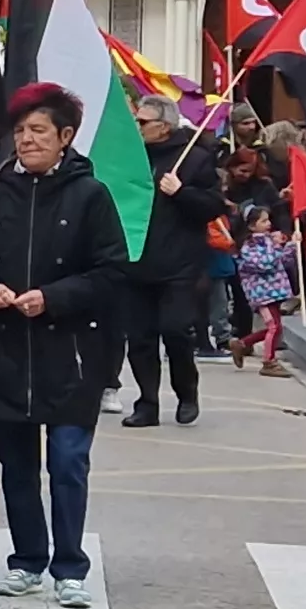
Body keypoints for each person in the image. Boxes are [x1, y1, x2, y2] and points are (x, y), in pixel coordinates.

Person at [0, 83, 130, 606]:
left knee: (68, 462)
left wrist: (53, 297)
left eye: (38, 131)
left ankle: (69, 566)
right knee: (18, 466)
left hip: (71, 353)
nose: (26, 140)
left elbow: (112, 271)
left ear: (65, 137)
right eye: (20, 131)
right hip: (4, 351)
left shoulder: (90, 196)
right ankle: (27, 558)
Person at [112, 96, 224, 428]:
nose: (137, 127)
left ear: (164, 127)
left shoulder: (194, 158)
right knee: (140, 338)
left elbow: (213, 205)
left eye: (143, 122)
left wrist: (181, 192)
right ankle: (147, 403)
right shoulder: (131, 158)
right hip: (135, 260)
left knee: (175, 331)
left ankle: (187, 392)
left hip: (179, 264)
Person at [233, 198, 301, 378]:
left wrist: (292, 246)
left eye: (268, 219)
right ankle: (269, 361)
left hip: (275, 290)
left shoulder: (269, 241)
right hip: (261, 292)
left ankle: (242, 344)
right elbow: (265, 264)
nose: (268, 223)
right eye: (263, 221)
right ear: (251, 226)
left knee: (275, 327)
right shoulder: (248, 247)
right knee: (273, 326)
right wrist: (279, 247)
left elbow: (281, 260)